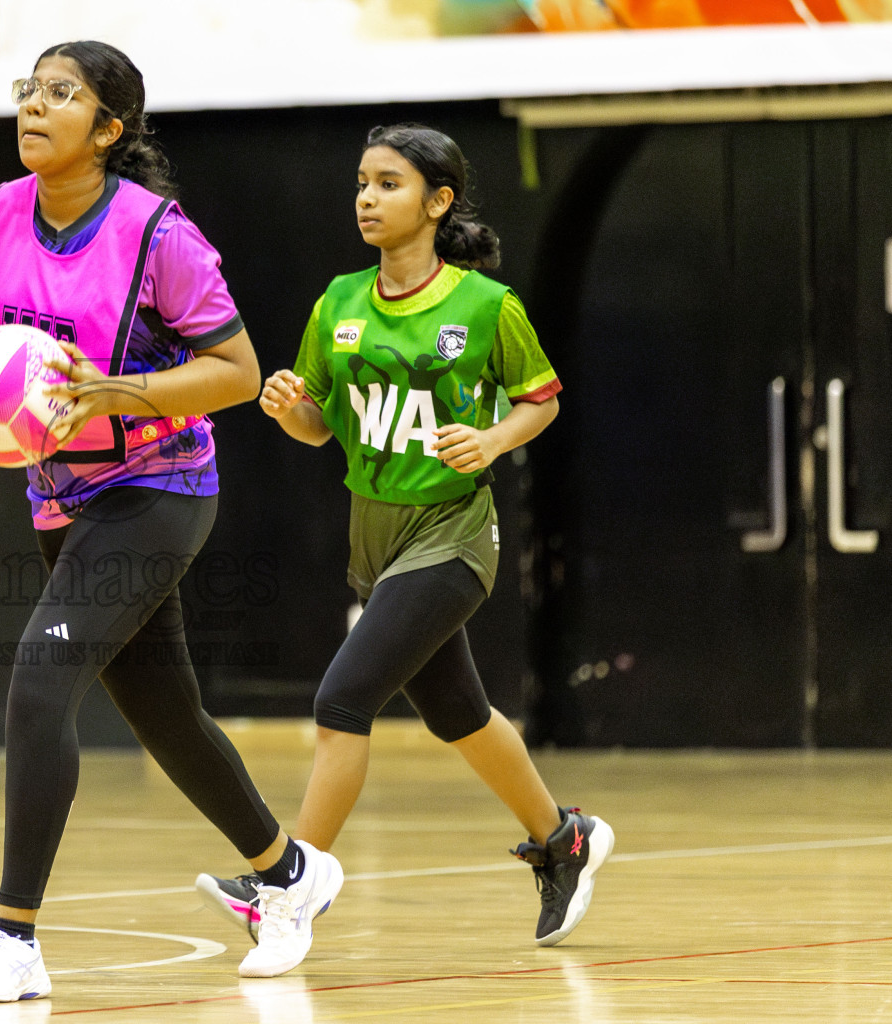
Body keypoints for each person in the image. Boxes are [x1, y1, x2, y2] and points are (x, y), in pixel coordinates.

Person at [0, 41, 343, 1003]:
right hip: (55, 494)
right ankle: (288, 875)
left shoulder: (159, 235)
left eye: (61, 94)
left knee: (38, 680)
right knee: (167, 716)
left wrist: (121, 392)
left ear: (109, 131)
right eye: (29, 89)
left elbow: (236, 372)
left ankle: (12, 937)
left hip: (157, 489)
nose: (34, 105)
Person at [196, 123, 613, 949]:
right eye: (361, 182)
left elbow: (543, 399)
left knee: (342, 698)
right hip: (373, 543)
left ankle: (293, 885)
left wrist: (492, 440)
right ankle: (565, 839)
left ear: (438, 201)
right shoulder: (339, 301)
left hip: (452, 536)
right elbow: (322, 428)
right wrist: (290, 411)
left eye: (388, 183)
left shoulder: (486, 306)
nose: (366, 197)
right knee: (458, 713)